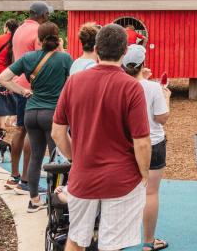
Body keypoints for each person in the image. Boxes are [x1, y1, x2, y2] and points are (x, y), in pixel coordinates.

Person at [51, 23, 151, 251]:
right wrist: (144, 172)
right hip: (122, 177)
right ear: (125, 52)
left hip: (83, 174)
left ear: (96, 48)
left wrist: (75, 156)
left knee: (75, 239)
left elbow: (57, 131)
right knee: (112, 245)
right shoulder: (131, 87)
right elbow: (142, 141)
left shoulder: (74, 82)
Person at [0, 21, 73, 212]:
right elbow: (72, 82)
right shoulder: (64, 59)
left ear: (38, 39)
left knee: (35, 158)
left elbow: (3, 78)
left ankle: (34, 201)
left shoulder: (29, 57)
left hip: (31, 111)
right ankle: (57, 201)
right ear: (58, 38)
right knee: (58, 159)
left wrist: (23, 91)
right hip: (53, 114)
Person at [122, 44, 171, 251]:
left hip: (125, 144)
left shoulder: (120, 85)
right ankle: (148, 242)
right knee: (151, 193)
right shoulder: (152, 88)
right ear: (143, 64)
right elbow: (161, 118)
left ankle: (119, 239)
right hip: (153, 143)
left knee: (122, 192)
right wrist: (166, 97)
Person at [6, 1, 50, 193]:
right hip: (32, 87)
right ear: (42, 15)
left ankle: (14, 176)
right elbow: (43, 58)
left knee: (20, 128)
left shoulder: (20, 29)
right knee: (33, 133)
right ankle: (26, 180)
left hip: (17, 83)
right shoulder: (39, 31)